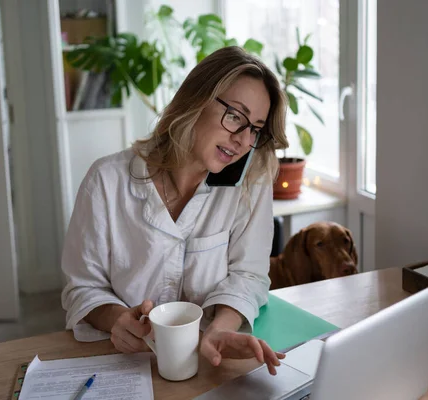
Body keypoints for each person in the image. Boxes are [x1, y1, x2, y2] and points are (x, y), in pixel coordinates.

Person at [61, 46, 290, 376]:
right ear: (195, 101)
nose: (242, 140)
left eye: (254, 128)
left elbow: (249, 274)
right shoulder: (106, 180)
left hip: (209, 362)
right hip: (124, 363)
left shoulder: (250, 182)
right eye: (235, 116)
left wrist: (219, 329)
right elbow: (81, 287)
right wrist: (117, 319)